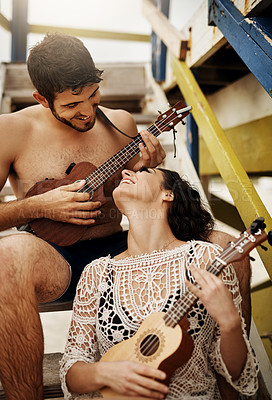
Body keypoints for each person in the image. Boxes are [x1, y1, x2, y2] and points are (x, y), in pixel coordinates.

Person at [0, 32, 166, 400]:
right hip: (56, 260)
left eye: (93, 95)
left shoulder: (120, 122)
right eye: (74, 103)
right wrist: (36, 207)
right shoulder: (10, 131)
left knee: (217, 243)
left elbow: (145, 203)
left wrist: (150, 171)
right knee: (7, 257)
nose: (88, 111)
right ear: (42, 99)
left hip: (121, 255)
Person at [60, 167, 259, 400]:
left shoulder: (205, 258)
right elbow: (72, 369)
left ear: (168, 194)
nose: (125, 171)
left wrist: (231, 324)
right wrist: (103, 372)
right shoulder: (97, 273)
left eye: (145, 171)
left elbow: (235, 373)